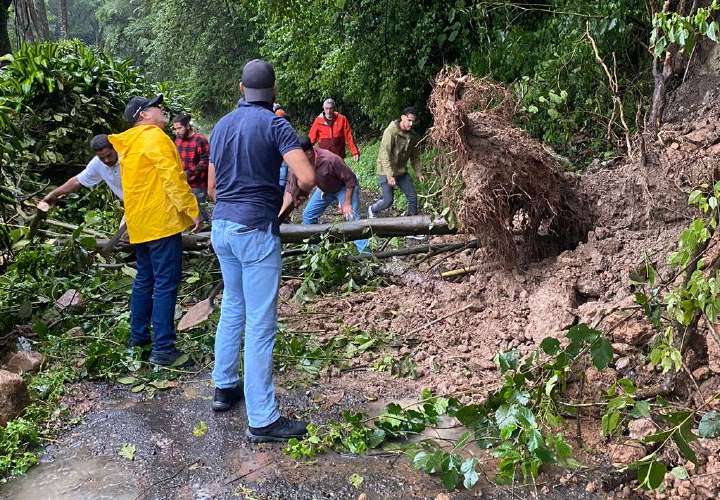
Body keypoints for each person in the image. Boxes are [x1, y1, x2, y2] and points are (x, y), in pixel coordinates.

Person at [209, 59, 315, 442]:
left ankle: (224, 387)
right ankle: (263, 418)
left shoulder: (219, 127)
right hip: (254, 230)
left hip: (221, 228)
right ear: (272, 92)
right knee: (260, 323)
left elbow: (211, 189)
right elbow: (307, 176)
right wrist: (284, 199)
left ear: (241, 89)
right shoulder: (276, 124)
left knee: (233, 306)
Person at [108, 94, 201, 366]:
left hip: (139, 224)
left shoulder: (130, 144)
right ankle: (163, 349)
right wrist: (192, 209)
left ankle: (138, 339)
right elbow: (172, 177)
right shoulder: (155, 138)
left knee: (144, 281)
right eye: (156, 107)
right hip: (160, 223)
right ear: (143, 115)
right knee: (165, 284)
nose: (161, 110)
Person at [280, 137, 368, 252]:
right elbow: (292, 185)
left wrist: (346, 203)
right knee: (308, 215)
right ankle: (315, 250)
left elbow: (351, 180)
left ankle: (366, 255)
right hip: (325, 189)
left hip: (344, 188)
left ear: (309, 153)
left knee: (352, 218)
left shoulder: (330, 159)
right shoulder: (299, 163)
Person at [368, 106, 424, 219]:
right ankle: (372, 209)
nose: (411, 124)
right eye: (409, 120)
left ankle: (413, 227)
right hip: (385, 170)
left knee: (413, 198)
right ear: (403, 117)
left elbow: (415, 157)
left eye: (413, 121)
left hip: (401, 172)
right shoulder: (391, 131)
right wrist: (389, 176)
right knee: (388, 201)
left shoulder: (412, 136)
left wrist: (418, 173)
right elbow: (384, 154)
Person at [41, 134, 123, 205]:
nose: (106, 160)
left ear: (114, 148)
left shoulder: (128, 156)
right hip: (129, 204)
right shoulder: (97, 163)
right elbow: (77, 181)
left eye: (109, 155)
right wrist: (53, 195)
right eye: (102, 158)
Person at [172, 113, 211, 222]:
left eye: (179, 128)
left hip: (198, 183)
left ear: (188, 126)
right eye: (175, 129)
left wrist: (189, 173)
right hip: (182, 182)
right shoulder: (178, 140)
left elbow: (206, 160)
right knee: (187, 213)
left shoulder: (200, 139)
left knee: (200, 212)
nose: (177, 131)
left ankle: (206, 235)